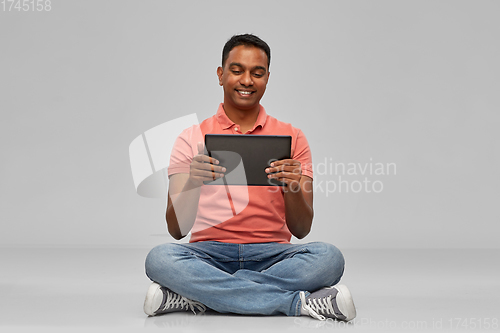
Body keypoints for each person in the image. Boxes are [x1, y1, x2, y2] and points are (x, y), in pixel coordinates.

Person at [143, 34, 356, 322]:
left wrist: (293, 187)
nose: (247, 80)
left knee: (329, 258)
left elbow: (302, 229)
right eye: (237, 70)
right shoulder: (190, 138)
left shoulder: (293, 137)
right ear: (220, 75)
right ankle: (298, 303)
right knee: (160, 259)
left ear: (267, 78)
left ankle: (198, 295)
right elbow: (176, 230)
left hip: (273, 256)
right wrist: (193, 181)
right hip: (209, 255)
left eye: (258, 73)